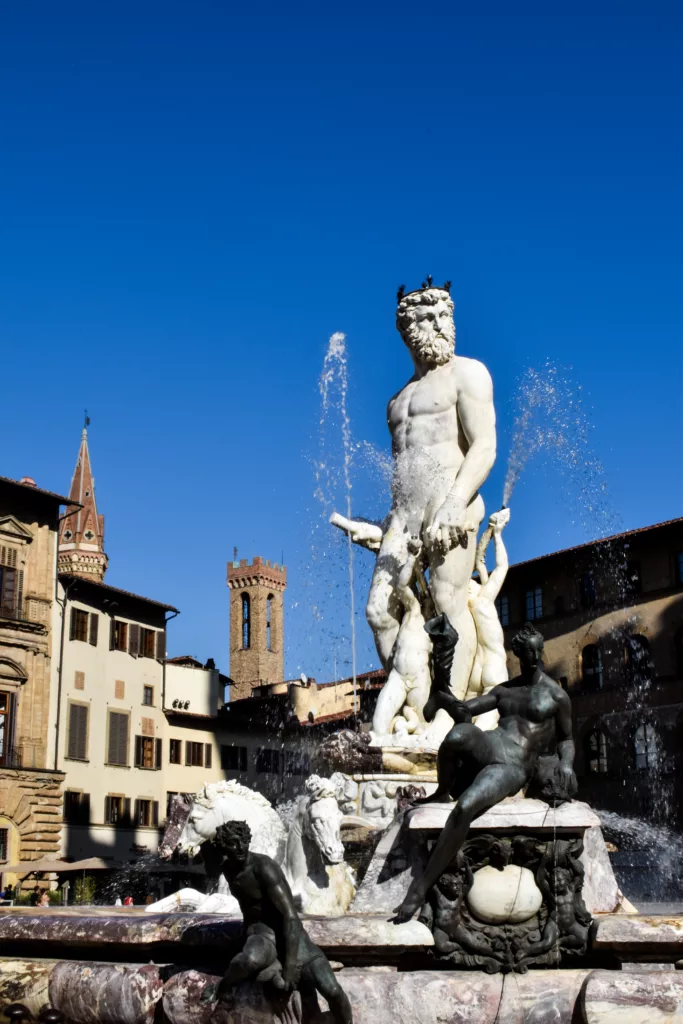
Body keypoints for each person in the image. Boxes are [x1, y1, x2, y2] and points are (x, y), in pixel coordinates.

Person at [340, 280, 496, 725]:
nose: (440, 325)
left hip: (454, 504)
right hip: (405, 519)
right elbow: (401, 475)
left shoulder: (469, 373)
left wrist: (453, 504)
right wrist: (381, 526)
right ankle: (415, 704)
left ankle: (449, 719)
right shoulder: (397, 402)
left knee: (450, 606)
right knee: (378, 611)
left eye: (445, 316)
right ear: (407, 329)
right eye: (429, 318)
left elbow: (484, 446)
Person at [393, 622, 576, 923]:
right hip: (492, 744)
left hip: (514, 765)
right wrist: (444, 687)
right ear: (518, 653)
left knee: (465, 806)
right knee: (458, 735)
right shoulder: (505, 691)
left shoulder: (556, 696)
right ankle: (441, 792)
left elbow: (567, 739)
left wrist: (566, 764)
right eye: (527, 650)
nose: (533, 655)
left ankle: (420, 887)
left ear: (541, 652)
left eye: (537, 650)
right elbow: (465, 712)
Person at [205, 820, 352, 1024]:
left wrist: (291, 965)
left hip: (292, 937)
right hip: (262, 935)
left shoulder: (264, 868)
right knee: (249, 961)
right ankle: (224, 991)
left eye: (243, 841)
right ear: (224, 846)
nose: (239, 848)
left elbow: (290, 916)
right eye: (232, 843)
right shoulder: (228, 869)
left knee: (333, 991)